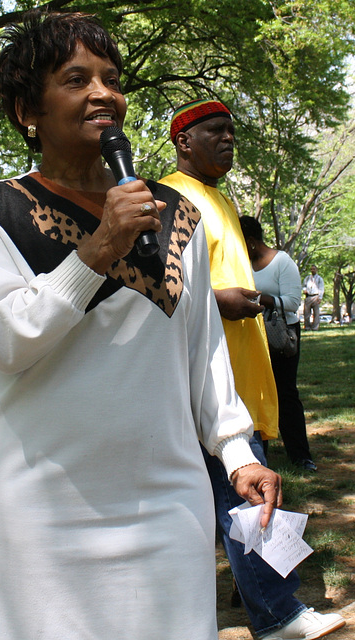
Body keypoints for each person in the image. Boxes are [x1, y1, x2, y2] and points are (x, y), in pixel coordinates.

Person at [0, 12, 282, 640]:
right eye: (75, 79)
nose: (103, 92)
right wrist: (99, 246)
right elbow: (6, 342)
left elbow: (202, 353)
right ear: (29, 109)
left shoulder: (175, 212)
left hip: (166, 499)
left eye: (110, 78)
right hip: (37, 505)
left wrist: (238, 452)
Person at [160, 99, 345, 640]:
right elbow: (160, 286)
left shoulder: (219, 198)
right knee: (246, 492)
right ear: (183, 142)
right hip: (214, 385)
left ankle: (255, 593)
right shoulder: (174, 195)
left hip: (247, 375)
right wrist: (219, 301)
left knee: (242, 496)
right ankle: (278, 614)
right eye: (213, 131)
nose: (227, 139)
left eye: (231, 132)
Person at [239, 215, 317, 473]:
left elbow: (294, 302)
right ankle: (262, 456)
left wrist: (262, 299)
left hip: (281, 335)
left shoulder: (282, 262)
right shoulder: (242, 263)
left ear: (251, 241)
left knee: (285, 393)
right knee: (257, 394)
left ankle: (300, 456)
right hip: (254, 333)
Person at [303, 265, 324, 330]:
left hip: (316, 296)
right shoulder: (307, 278)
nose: (312, 270)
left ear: (316, 270)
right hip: (308, 296)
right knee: (306, 313)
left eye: (314, 269)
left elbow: (321, 288)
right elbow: (304, 285)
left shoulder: (319, 278)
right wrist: (304, 289)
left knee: (316, 313)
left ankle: (315, 327)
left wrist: (320, 297)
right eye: (311, 269)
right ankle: (307, 327)